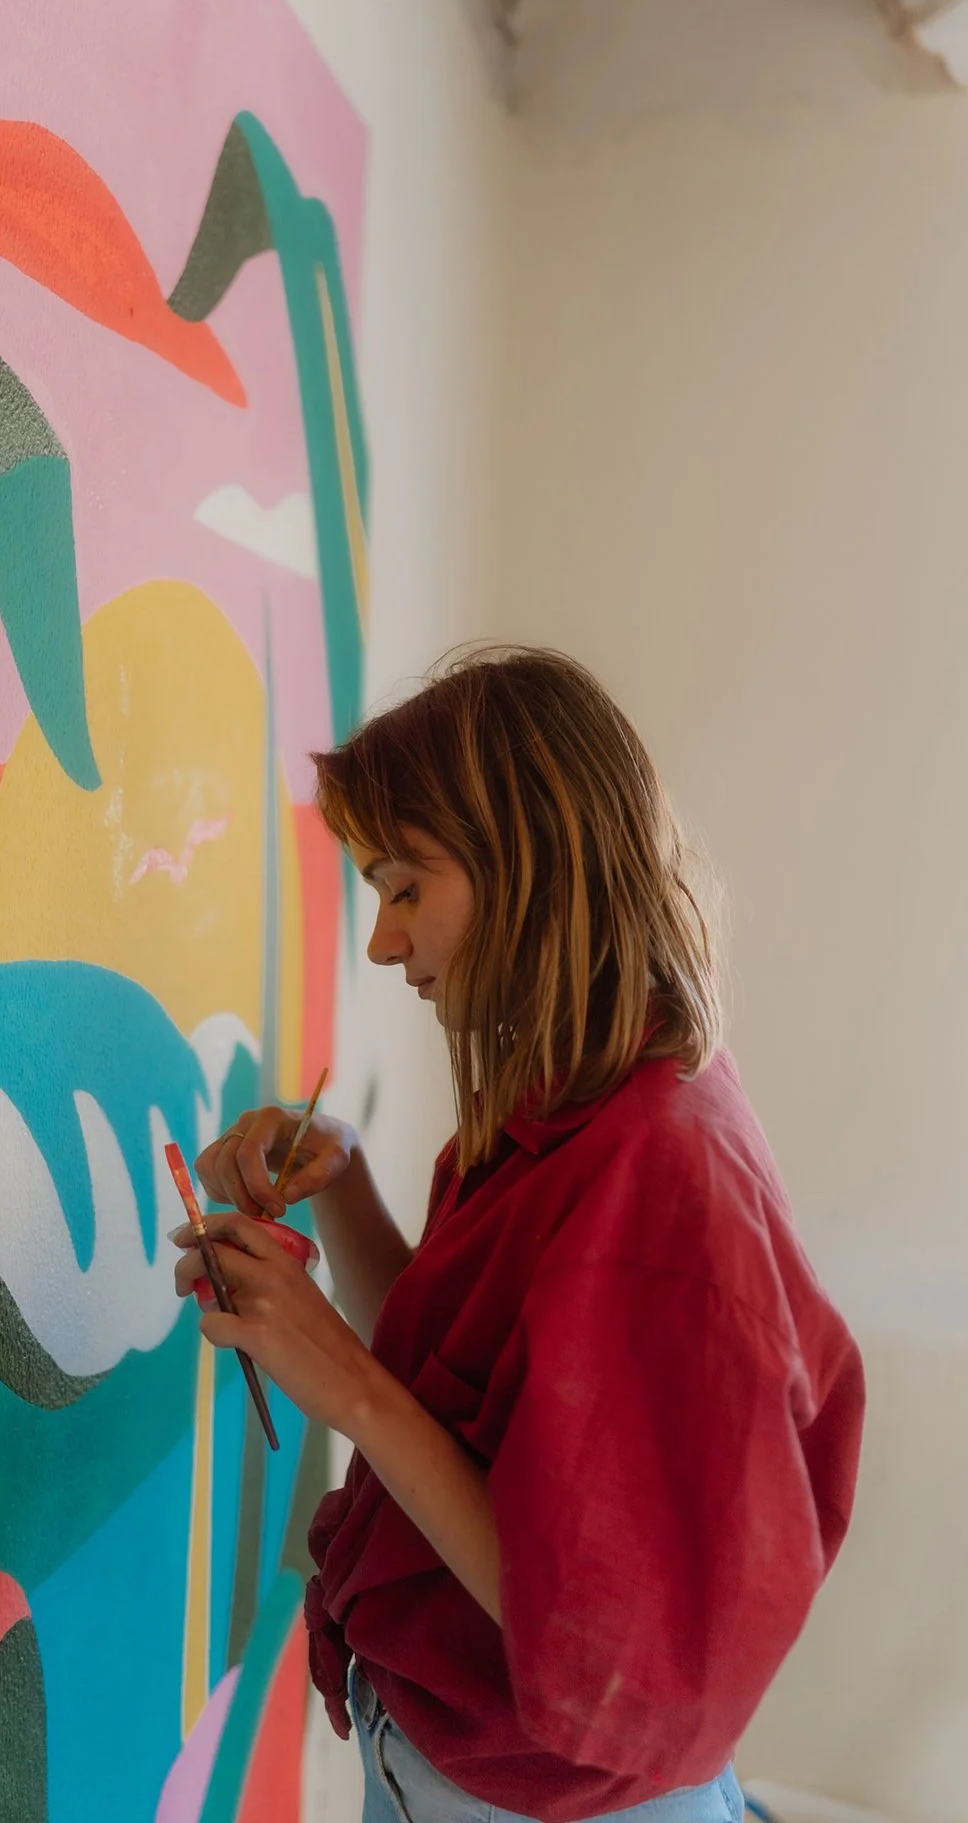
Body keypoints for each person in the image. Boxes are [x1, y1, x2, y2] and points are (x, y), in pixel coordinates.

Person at [172, 646, 864, 1823]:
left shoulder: (660, 1181)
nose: (383, 944)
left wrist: (338, 1380)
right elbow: (465, 1403)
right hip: (448, 1761)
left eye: (402, 888)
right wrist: (337, 1179)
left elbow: (594, 1631)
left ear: (525, 868)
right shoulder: (566, 1100)